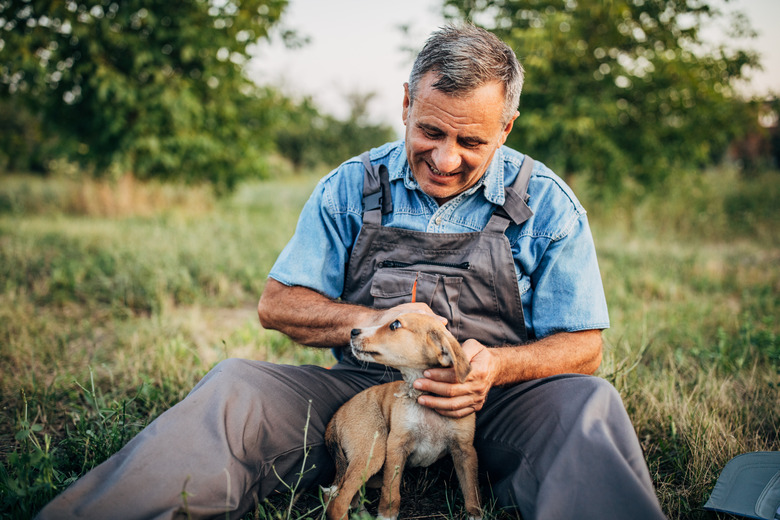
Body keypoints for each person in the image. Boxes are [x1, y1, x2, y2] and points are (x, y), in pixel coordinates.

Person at [37, 24, 666, 520]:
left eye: (471, 143)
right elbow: (278, 304)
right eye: (430, 131)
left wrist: (497, 367)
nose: (445, 159)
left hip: (494, 406)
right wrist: (374, 325)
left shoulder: (548, 205)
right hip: (366, 395)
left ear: (506, 127)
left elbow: (585, 345)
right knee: (235, 388)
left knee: (589, 405)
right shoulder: (348, 187)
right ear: (405, 103)